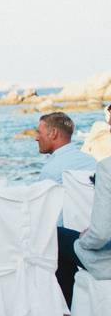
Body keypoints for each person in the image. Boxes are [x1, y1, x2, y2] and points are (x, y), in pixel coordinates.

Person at [56, 105, 111, 305]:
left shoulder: (107, 168)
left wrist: (83, 239)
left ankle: (76, 312)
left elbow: (101, 235)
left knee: (56, 237)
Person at [35, 112, 96, 183]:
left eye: (39, 133)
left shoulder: (50, 171)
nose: (36, 138)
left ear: (53, 133)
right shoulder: (91, 161)